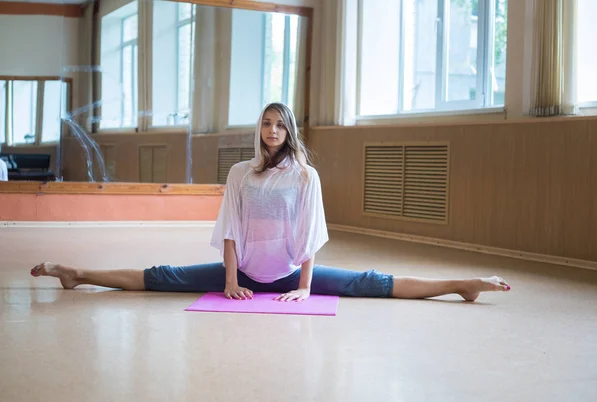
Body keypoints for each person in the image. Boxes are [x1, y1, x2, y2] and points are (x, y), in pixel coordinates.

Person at [30, 102, 511, 302]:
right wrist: (230, 280)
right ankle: (77, 273)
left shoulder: (306, 175)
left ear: (290, 131)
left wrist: (304, 288)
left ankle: (462, 284)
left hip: (287, 273)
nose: (272, 131)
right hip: (242, 274)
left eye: (280, 125)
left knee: (368, 282)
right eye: (266, 124)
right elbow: (231, 228)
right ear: (259, 129)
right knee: (165, 276)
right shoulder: (240, 172)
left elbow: (309, 234)